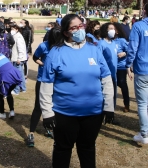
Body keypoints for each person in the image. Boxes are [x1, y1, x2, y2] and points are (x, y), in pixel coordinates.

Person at [39, 14, 114, 168]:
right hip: (65, 114)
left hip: (93, 113)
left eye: (81, 26)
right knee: (62, 150)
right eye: (74, 27)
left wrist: (109, 107)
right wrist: (47, 113)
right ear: (66, 32)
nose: (80, 30)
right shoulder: (56, 53)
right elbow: (46, 85)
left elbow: (106, 79)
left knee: (87, 148)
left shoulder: (94, 50)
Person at [27, 27, 60, 147]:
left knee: (54, 106)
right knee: (38, 106)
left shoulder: (62, 47)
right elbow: (35, 58)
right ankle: (31, 132)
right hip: (43, 80)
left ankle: (49, 129)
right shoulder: (44, 46)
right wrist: (44, 64)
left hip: (57, 81)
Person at [126, 3, 148, 144]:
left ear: (145, 11)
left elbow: (132, 48)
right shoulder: (139, 26)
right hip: (142, 68)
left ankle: (144, 134)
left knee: (142, 103)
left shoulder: (139, 26)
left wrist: (128, 64)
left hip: (142, 69)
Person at [98, 23, 118, 114]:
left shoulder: (114, 43)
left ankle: (111, 112)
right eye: (110, 28)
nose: (112, 30)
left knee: (113, 94)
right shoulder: (101, 43)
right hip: (105, 75)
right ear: (105, 30)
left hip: (114, 73)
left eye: (113, 28)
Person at [113, 23, 130, 112]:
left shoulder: (122, 40)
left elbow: (130, 50)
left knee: (123, 84)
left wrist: (124, 53)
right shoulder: (107, 41)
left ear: (118, 31)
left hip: (121, 67)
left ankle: (126, 104)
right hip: (111, 67)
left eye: (113, 29)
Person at [10, 24, 27, 95]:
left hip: (18, 59)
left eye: (13, 29)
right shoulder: (16, 36)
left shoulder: (18, 37)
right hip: (17, 58)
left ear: (17, 29)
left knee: (17, 75)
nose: (12, 30)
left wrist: (19, 58)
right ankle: (23, 88)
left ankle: (16, 90)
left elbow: (21, 49)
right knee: (21, 74)